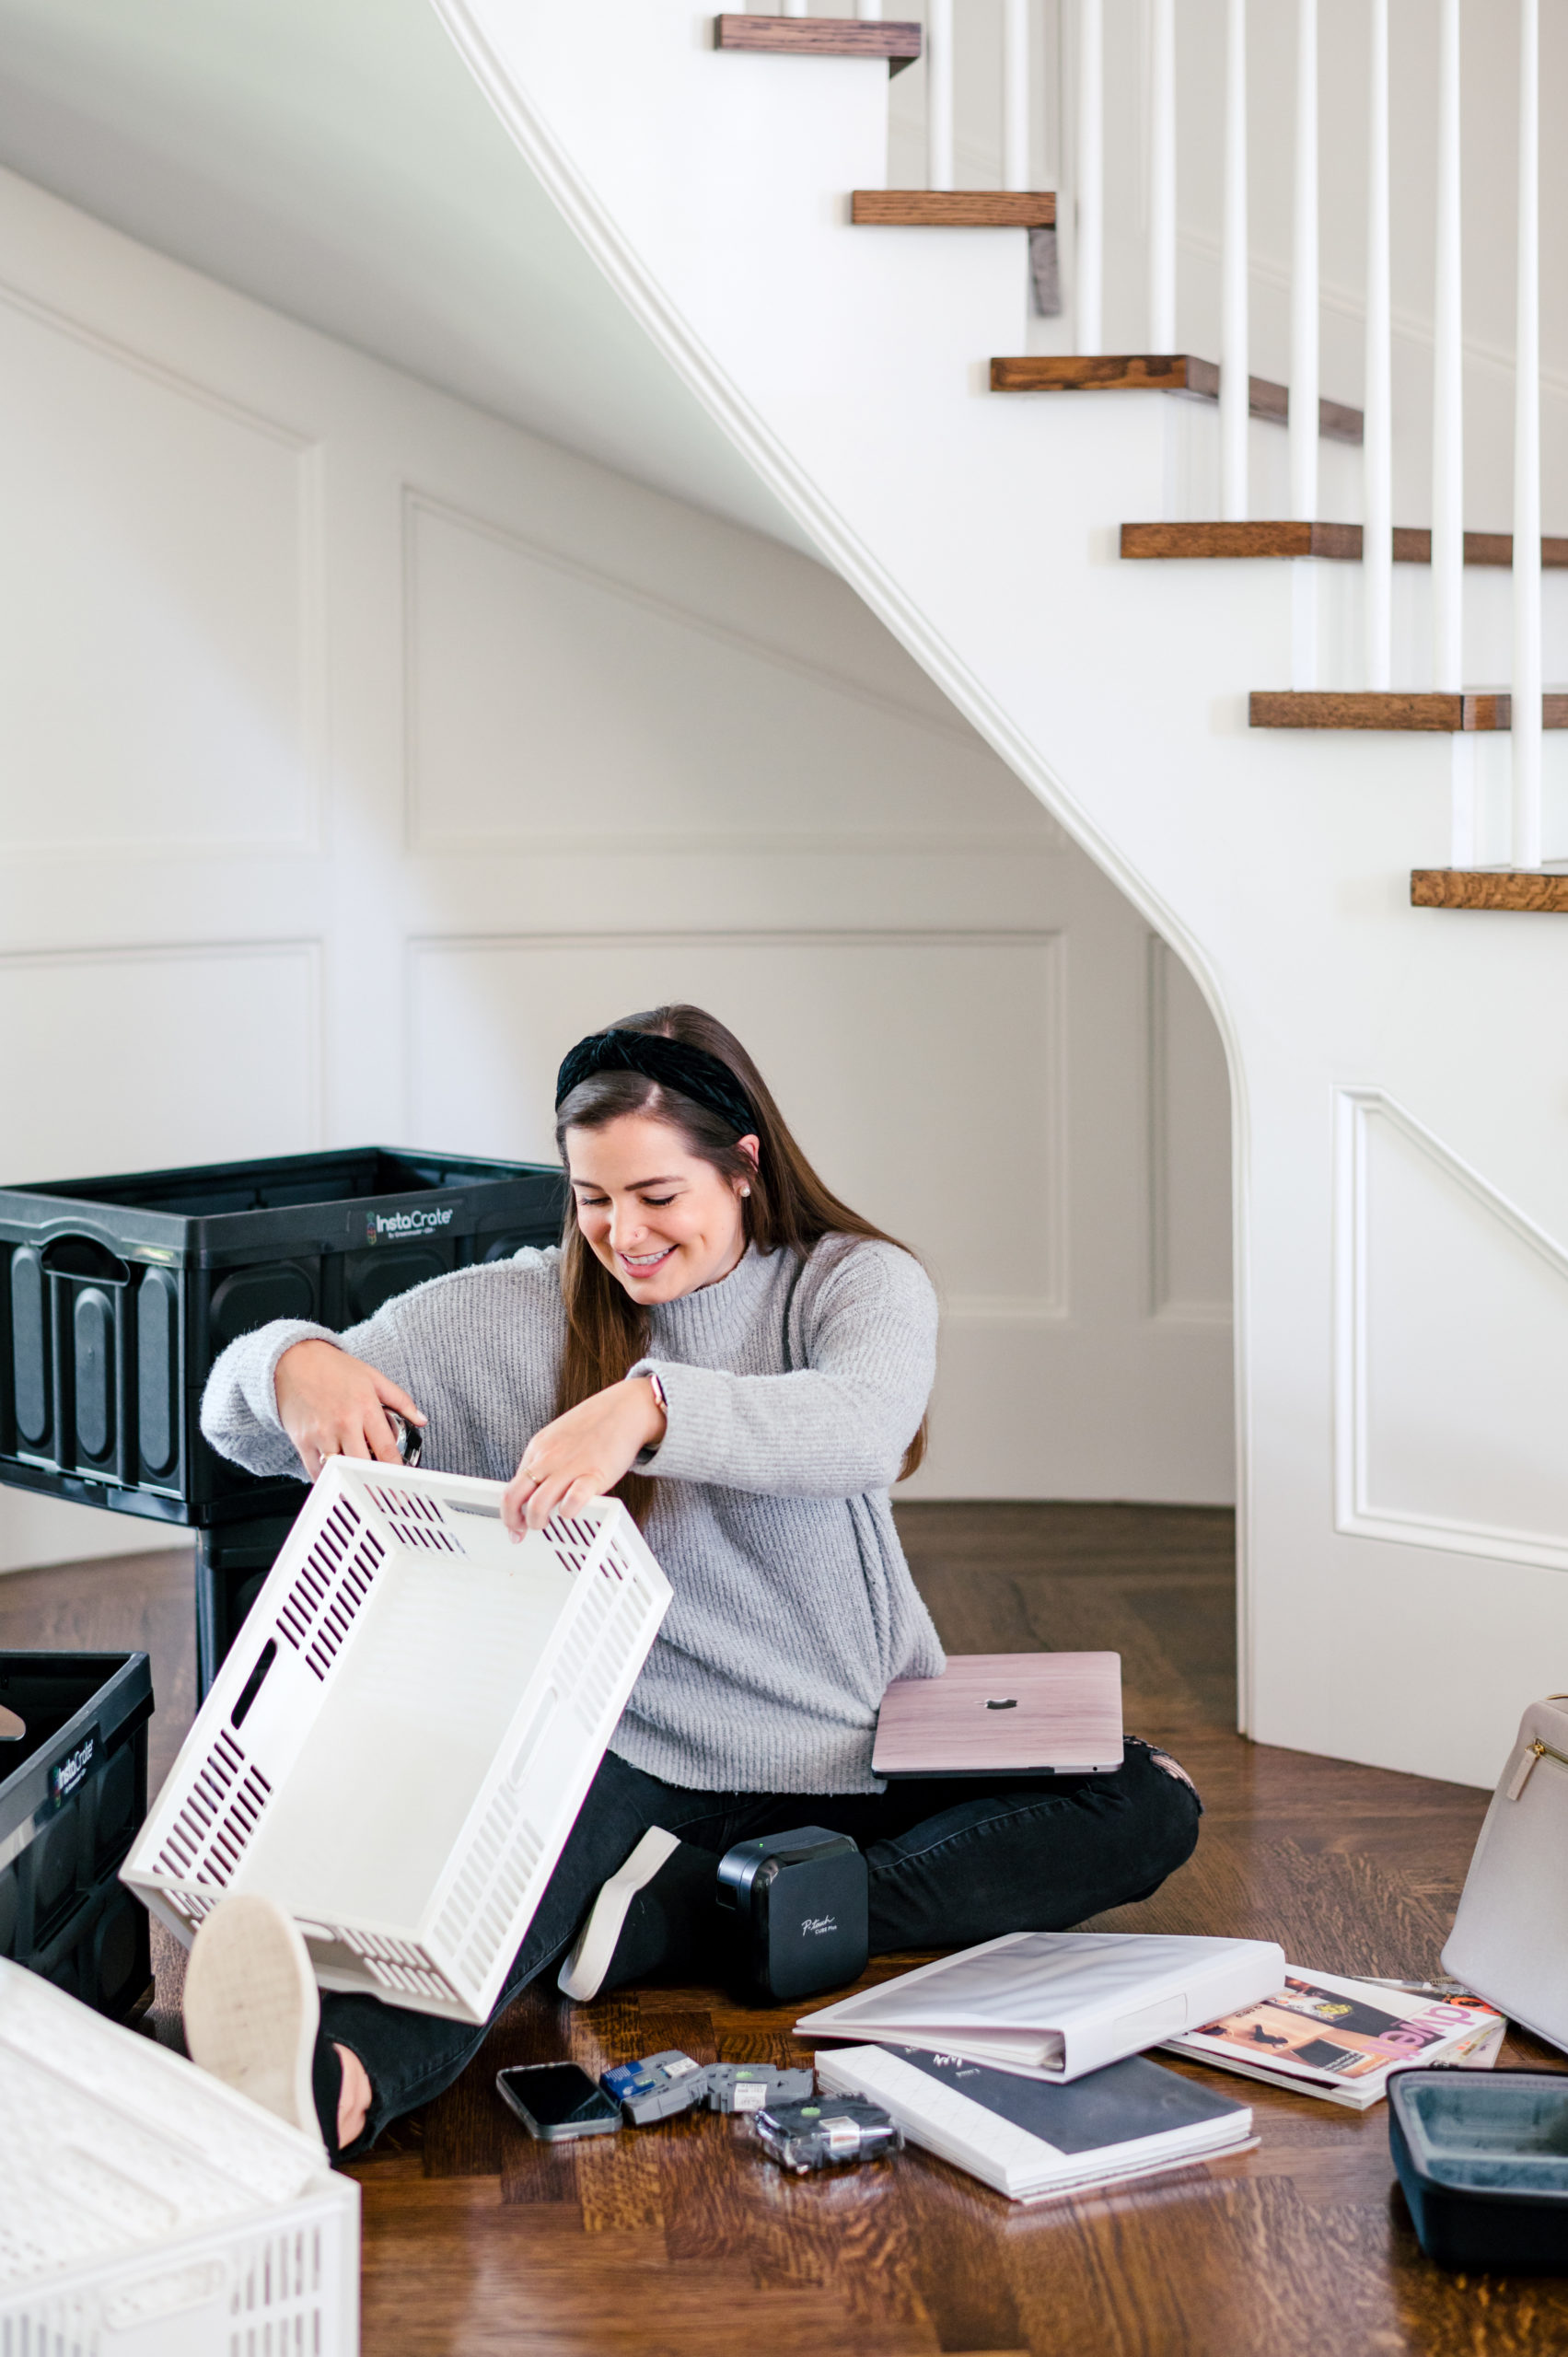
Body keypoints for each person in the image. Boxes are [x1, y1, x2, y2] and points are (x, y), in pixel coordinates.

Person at [182, 1005, 1201, 2157]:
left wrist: (650, 1405)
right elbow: (234, 1421)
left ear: (744, 1166)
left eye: (657, 1197)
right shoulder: (502, 1316)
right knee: (473, 1930)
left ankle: (696, 1915)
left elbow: (863, 1427)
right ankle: (324, 2089)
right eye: (592, 1198)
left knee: (1144, 1802)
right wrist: (291, 1365)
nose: (623, 1233)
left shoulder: (850, 1284)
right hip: (629, 1749)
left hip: (851, 1740)